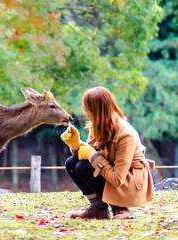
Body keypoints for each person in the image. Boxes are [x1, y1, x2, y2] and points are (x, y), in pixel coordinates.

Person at [61, 86, 155, 220]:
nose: (85, 112)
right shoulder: (97, 125)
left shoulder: (125, 135)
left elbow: (117, 179)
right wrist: (76, 145)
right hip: (110, 170)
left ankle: (121, 209)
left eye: (86, 109)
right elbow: (89, 153)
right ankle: (98, 209)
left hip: (130, 182)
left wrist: (92, 155)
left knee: (82, 167)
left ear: (95, 111)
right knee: (72, 163)